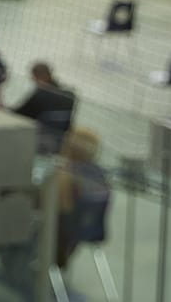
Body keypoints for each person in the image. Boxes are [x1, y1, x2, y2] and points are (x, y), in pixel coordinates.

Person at [53, 129, 110, 270]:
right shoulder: (100, 175)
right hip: (89, 231)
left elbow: (60, 207)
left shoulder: (67, 176)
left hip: (60, 235)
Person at [13, 62, 77, 151]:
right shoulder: (69, 96)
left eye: (34, 78)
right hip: (61, 142)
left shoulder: (41, 94)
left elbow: (20, 113)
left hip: (40, 141)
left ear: (39, 77)